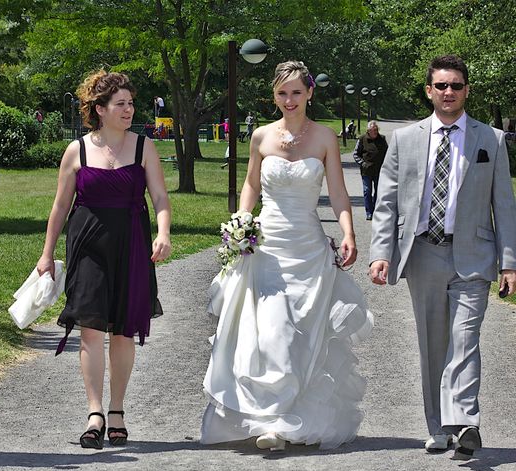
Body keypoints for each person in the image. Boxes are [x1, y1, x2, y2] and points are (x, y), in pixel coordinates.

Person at [201, 60, 373, 451]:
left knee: (303, 334)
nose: (289, 99)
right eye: (282, 93)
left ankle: (293, 416)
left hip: (308, 248)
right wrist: (242, 223)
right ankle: (269, 421)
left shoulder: (325, 138)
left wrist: (347, 232)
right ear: (274, 96)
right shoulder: (261, 136)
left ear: (310, 92)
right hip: (267, 246)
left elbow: (340, 193)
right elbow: (250, 186)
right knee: (270, 332)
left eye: (296, 92)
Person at [369, 54, 516, 460]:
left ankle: (466, 421)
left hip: (473, 255)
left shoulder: (491, 140)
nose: (448, 92)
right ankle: (438, 428)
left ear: (467, 90)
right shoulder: (405, 140)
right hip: (424, 255)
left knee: (465, 340)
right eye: (441, 85)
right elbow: (387, 203)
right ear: (429, 91)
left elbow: (504, 205)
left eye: (456, 85)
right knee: (434, 346)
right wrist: (381, 253)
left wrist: (509, 263)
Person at [37, 69, 171, 450]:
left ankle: (117, 409)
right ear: (99, 109)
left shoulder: (144, 147)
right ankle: (94, 412)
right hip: (88, 247)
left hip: (131, 244)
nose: (129, 110)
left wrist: (163, 233)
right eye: (121, 104)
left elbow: (160, 198)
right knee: (92, 329)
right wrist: (47, 253)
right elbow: (60, 205)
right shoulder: (76, 150)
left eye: (130, 103)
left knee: (123, 330)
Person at [353, 120, 388, 220]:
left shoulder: (382, 139)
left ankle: (376, 210)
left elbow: (388, 154)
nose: (375, 132)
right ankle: (369, 212)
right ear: (368, 130)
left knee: (378, 192)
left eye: (376, 129)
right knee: (367, 191)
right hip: (366, 171)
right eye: (373, 130)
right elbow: (355, 154)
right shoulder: (362, 139)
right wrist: (362, 163)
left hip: (379, 170)